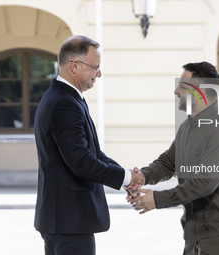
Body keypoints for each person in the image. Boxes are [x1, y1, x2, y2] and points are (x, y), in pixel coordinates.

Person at [34, 35, 144, 255]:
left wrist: (123, 177)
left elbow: (91, 152)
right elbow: (81, 162)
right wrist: (128, 177)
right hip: (68, 221)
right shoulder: (65, 103)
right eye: (96, 67)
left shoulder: (66, 97)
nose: (99, 74)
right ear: (74, 66)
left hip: (66, 220)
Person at [129, 62, 219, 255]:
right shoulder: (187, 127)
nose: (176, 91)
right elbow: (168, 163)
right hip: (195, 235)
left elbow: (205, 183)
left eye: (182, 86)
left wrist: (157, 199)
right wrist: (141, 177)